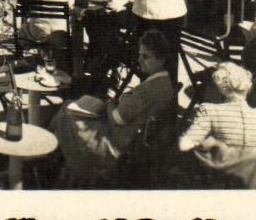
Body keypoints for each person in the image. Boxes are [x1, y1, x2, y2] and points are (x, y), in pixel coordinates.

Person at [51, 30, 178, 185]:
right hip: (126, 134)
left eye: (146, 57)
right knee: (71, 105)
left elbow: (119, 118)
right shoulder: (163, 83)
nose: (140, 60)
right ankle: (61, 155)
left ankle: (62, 161)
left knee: (66, 111)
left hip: (114, 143)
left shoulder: (150, 89)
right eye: (140, 55)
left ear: (161, 59)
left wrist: (111, 103)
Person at [177, 63, 256, 174]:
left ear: (222, 89)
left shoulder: (209, 110)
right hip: (251, 173)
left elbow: (185, 145)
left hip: (222, 174)